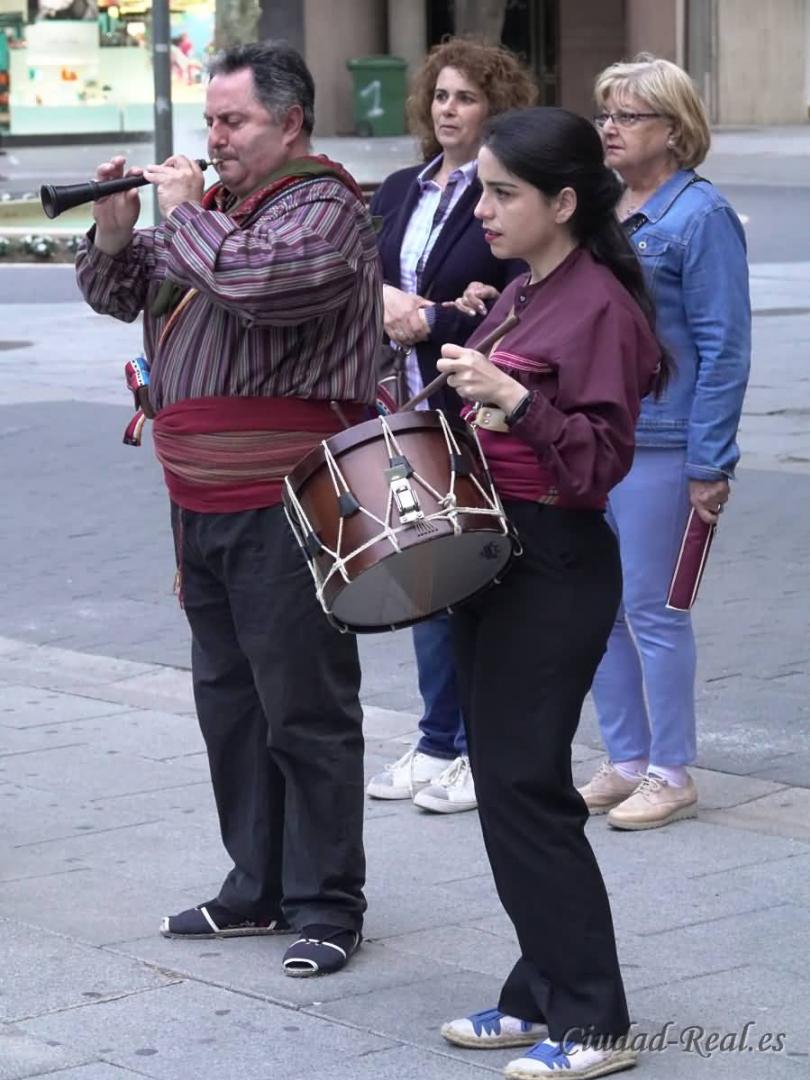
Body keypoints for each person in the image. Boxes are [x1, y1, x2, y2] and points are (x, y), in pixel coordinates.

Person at [74, 41, 382, 978]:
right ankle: (258, 886)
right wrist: (116, 231)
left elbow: (261, 285)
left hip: (288, 502)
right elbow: (118, 292)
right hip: (199, 505)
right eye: (209, 120)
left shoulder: (326, 208)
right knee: (232, 705)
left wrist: (184, 213)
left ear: (290, 122)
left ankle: (329, 902)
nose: (214, 137)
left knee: (305, 706)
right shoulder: (220, 215)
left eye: (233, 120)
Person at [433, 105, 665, 1079]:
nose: (482, 210)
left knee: (527, 788)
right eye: (481, 191)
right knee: (506, 785)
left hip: (556, 562)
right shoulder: (528, 289)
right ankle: (539, 993)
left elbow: (600, 463)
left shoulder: (600, 305)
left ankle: (595, 1020)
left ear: (563, 202)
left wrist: (514, 399)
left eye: (503, 193)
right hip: (499, 556)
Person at [579, 55, 751, 830]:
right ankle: (624, 759)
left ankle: (671, 771)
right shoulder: (601, 208)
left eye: (629, 115)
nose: (610, 128)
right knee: (600, 609)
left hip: (664, 444)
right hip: (600, 438)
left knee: (654, 611)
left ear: (675, 130)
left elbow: (725, 348)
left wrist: (710, 461)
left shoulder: (699, 217)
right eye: (605, 113)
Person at [366, 38, 536, 815]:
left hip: (472, 409)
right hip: (400, 408)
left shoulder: (505, 192)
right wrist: (386, 303)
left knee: (474, 581)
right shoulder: (402, 188)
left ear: (495, 109)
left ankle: (475, 746)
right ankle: (437, 739)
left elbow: (515, 302)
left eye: (466, 97)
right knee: (424, 578)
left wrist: (436, 316)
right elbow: (361, 281)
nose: (448, 109)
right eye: (440, 95)